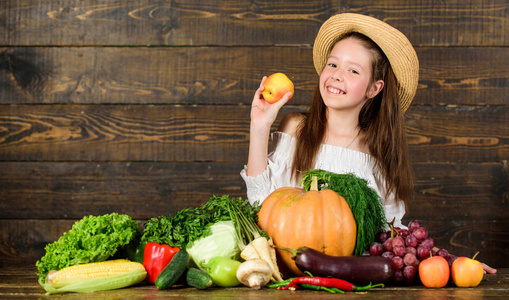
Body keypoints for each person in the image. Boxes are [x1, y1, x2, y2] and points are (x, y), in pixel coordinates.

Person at [240, 13, 496, 274]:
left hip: (349, 281)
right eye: (333, 65)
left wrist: (451, 262)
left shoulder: (376, 154)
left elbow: (393, 236)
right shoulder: (296, 128)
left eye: (353, 70)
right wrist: (259, 126)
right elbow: (260, 204)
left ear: (374, 88)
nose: (337, 76)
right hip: (283, 278)